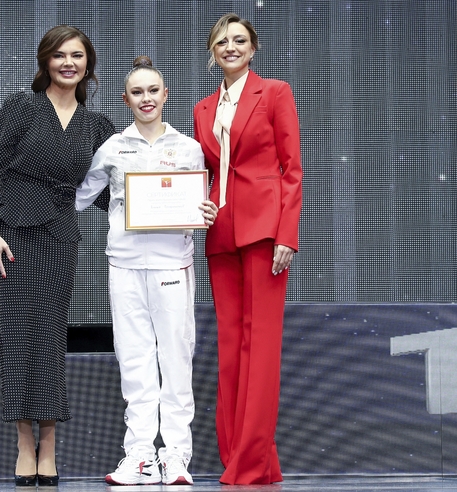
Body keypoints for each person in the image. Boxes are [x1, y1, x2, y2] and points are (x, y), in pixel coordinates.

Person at [0, 25, 115, 487]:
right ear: (45, 61)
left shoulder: (97, 125)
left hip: (60, 234)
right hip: (13, 234)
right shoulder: (21, 106)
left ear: (87, 64)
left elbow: (107, 191)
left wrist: (165, 199)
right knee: (17, 336)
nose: (68, 63)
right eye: (59, 55)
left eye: (76, 55)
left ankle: (50, 444)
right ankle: (24, 443)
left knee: (50, 338)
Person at [75, 56, 218, 486]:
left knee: (175, 359)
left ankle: (175, 456)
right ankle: (139, 454)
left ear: (165, 94)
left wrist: (208, 210)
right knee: (134, 360)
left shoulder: (189, 147)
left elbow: (204, 203)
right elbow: (79, 197)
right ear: (126, 99)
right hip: (124, 265)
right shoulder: (114, 147)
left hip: (173, 263)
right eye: (137, 92)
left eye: (153, 90)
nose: (146, 98)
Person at [192, 13, 303, 485]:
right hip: (221, 235)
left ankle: (251, 461)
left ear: (253, 49)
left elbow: (292, 168)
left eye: (240, 40)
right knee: (232, 349)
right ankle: (241, 454)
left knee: (262, 347)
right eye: (222, 41)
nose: (231, 47)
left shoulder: (274, 92)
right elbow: (204, 174)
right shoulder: (202, 108)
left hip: (264, 232)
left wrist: (286, 235)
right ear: (212, 51)